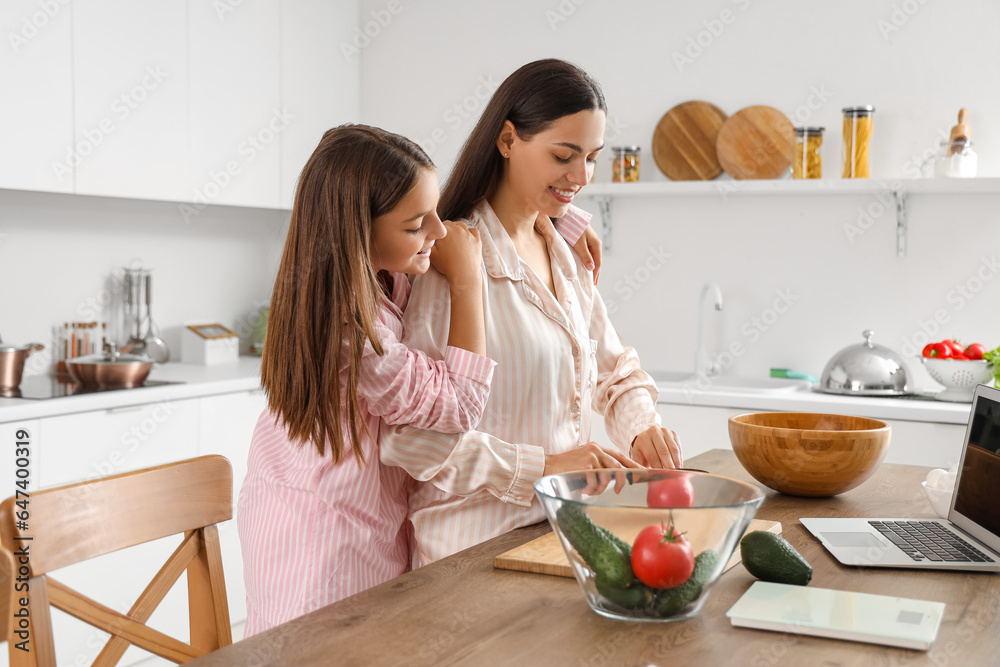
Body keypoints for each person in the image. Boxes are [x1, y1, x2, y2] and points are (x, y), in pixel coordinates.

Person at [237, 124, 607, 635]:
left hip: (348, 513)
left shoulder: (381, 274)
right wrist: (466, 281)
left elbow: (466, 217)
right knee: (316, 649)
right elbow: (456, 409)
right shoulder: (355, 334)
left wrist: (563, 222)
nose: (437, 231)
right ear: (358, 231)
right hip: (325, 534)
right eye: (416, 225)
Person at [380, 59, 684, 568]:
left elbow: (615, 371)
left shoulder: (564, 253)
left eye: (592, 158)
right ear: (506, 140)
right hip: (471, 551)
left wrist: (642, 429)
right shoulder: (450, 262)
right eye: (564, 155)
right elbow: (413, 442)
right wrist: (543, 467)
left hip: (557, 531)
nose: (581, 177)